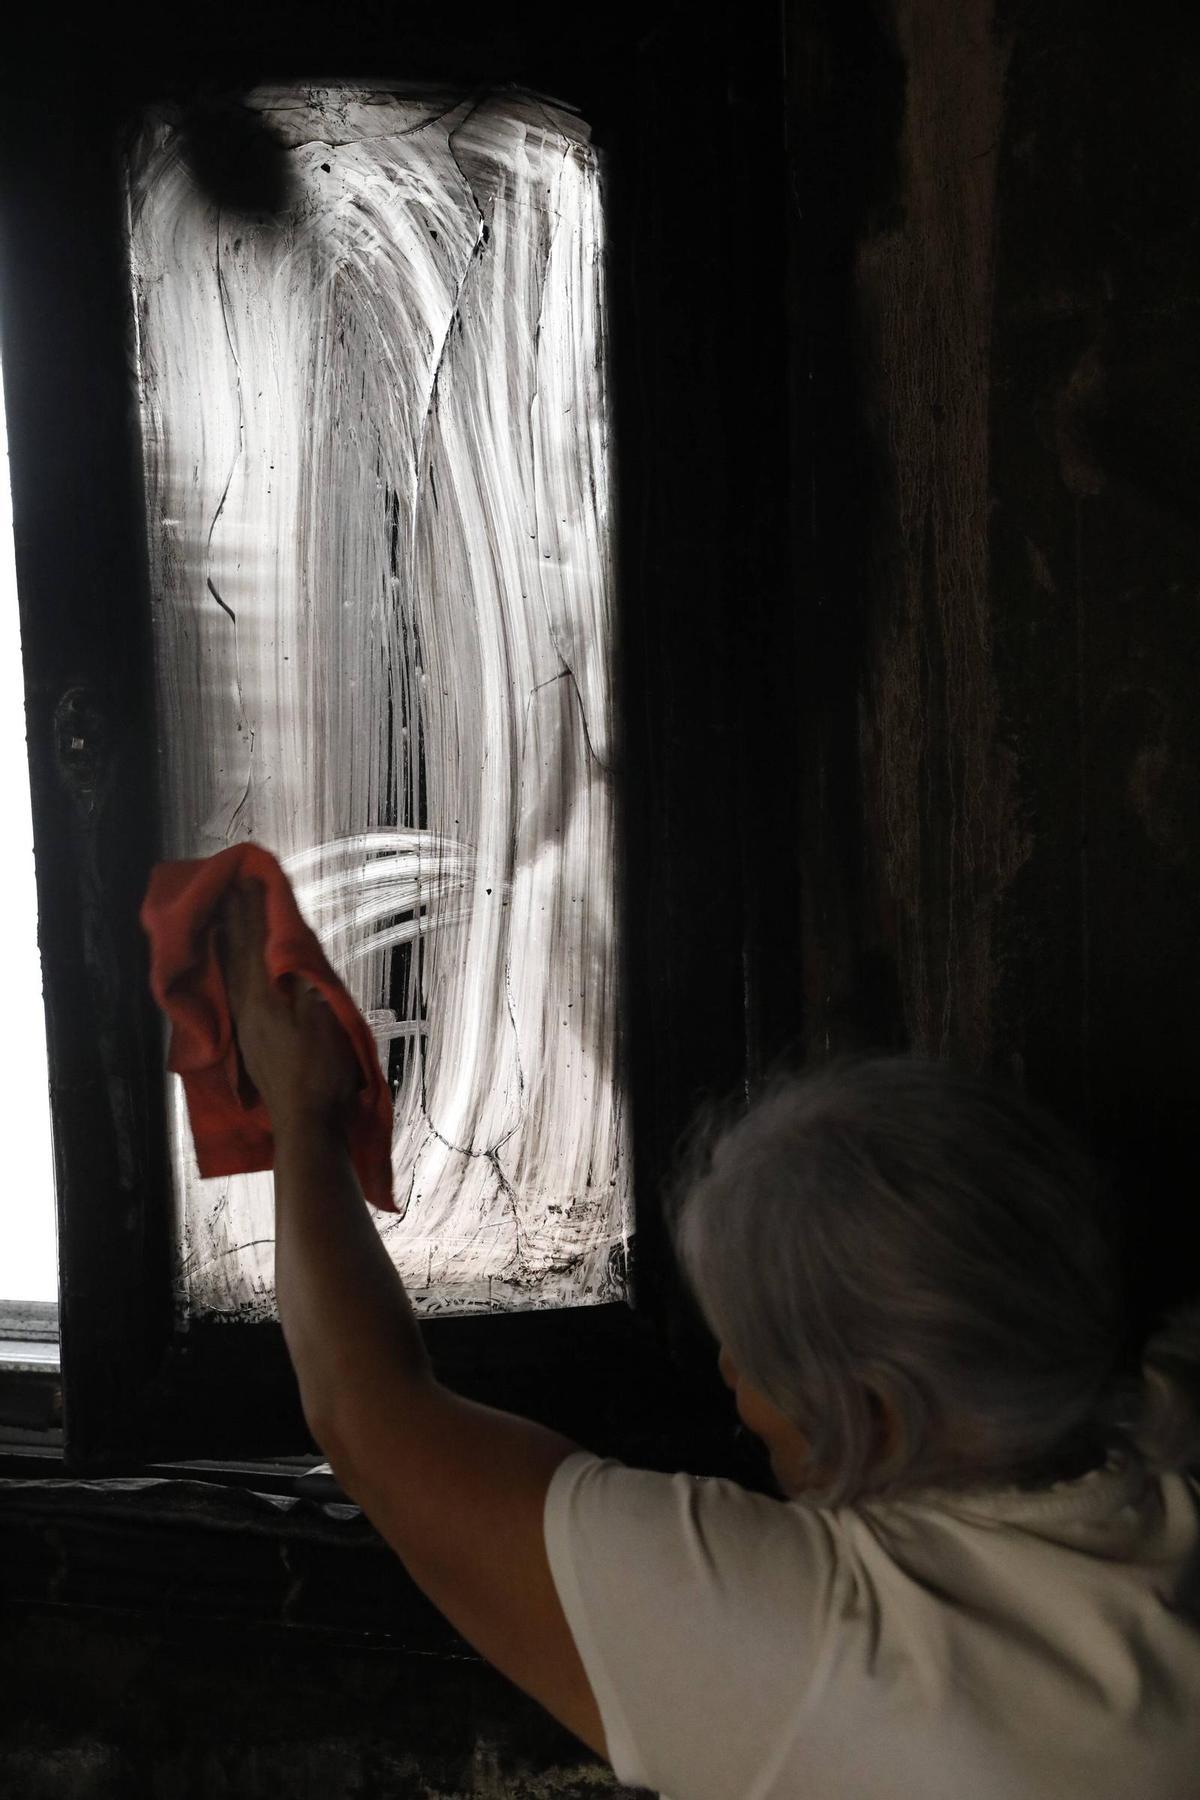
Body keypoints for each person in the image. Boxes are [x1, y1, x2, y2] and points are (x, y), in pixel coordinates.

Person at [219, 881, 1200, 1800]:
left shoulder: (841, 1649)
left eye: (750, 1353)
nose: (729, 1374)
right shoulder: (1165, 1436)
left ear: (871, 1416)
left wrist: (300, 1116)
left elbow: (366, 1415)